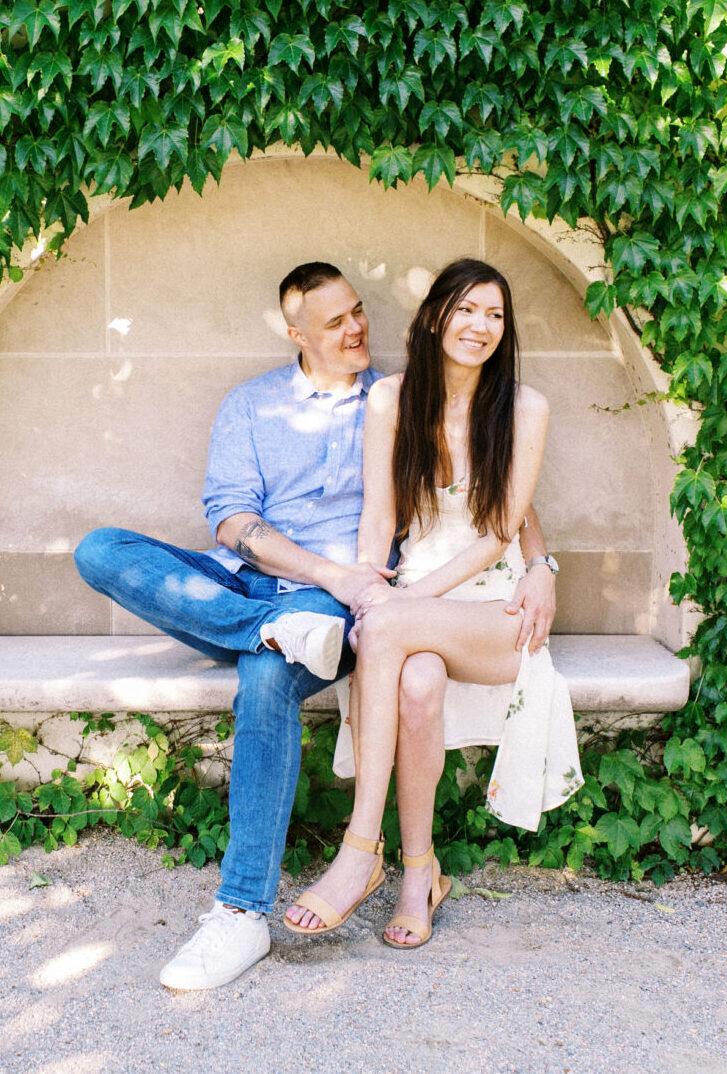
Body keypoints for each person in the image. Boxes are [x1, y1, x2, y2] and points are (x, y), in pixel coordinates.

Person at [74, 261, 557, 989]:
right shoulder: (252, 404)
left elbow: (499, 497)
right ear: (295, 333)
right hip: (258, 586)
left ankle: (242, 913)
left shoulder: (399, 393)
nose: (358, 328)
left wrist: (540, 562)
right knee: (101, 549)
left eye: (359, 312)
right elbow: (231, 517)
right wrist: (321, 580)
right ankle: (263, 626)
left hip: (345, 605)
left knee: (270, 675)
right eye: (335, 322)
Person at [284, 258, 582, 948]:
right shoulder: (390, 399)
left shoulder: (524, 408)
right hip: (414, 604)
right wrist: (370, 588)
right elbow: (376, 518)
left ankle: (359, 849)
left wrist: (399, 606)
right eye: (466, 309)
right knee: (415, 679)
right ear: (433, 317)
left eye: (495, 314)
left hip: (497, 610)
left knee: (387, 633)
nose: (479, 326)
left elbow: (497, 535)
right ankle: (419, 873)